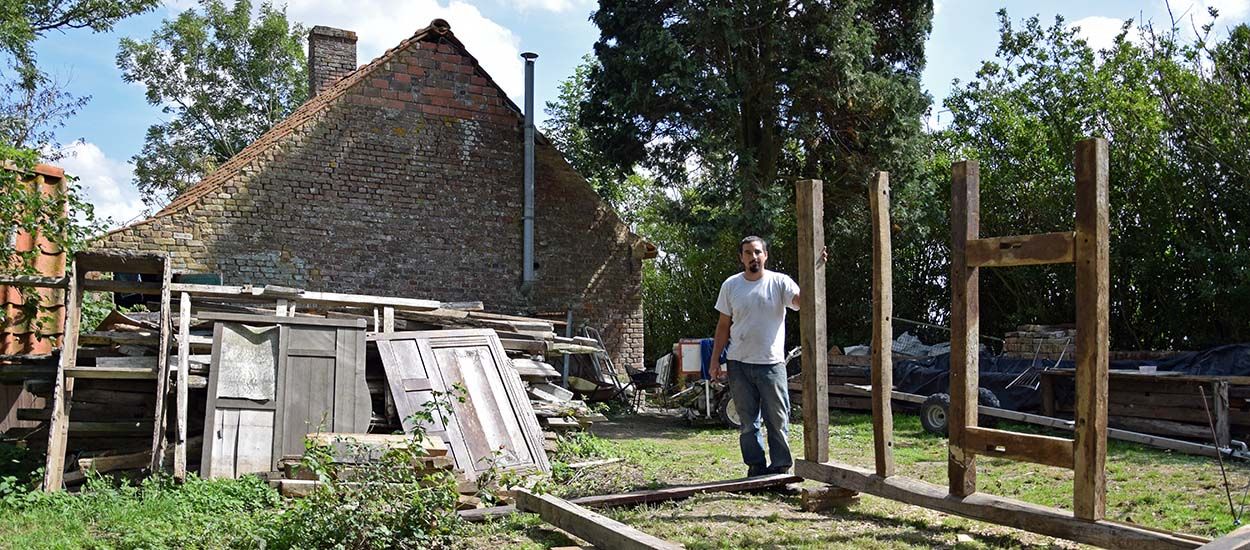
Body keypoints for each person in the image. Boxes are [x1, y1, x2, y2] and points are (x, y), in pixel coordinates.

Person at [709, 235, 822, 477]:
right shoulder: (731, 285)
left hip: (771, 364)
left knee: (778, 420)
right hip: (738, 363)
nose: (754, 257)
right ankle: (756, 469)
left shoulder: (780, 282)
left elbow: (802, 301)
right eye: (748, 253)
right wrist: (715, 360)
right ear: (741, 258)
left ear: (766, 255)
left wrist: (816, 270)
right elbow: (722, 325)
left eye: (758, 252)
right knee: (748, 423)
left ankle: (780, 468)